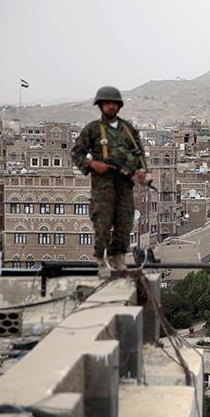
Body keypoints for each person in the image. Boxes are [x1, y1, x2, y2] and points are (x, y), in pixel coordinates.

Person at [71, 86, 150, 277]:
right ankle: (102, 261)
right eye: (107, 103)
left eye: (114, 103)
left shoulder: (128, 130)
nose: (111, 107)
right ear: (100, 106)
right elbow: (76, 153)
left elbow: (138, 155)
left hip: (124, 184)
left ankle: (119, 258)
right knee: (103, 222)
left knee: (124, 221)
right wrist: (92, 164)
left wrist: (140, 173)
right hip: (103, 185)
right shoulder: (93, 129)